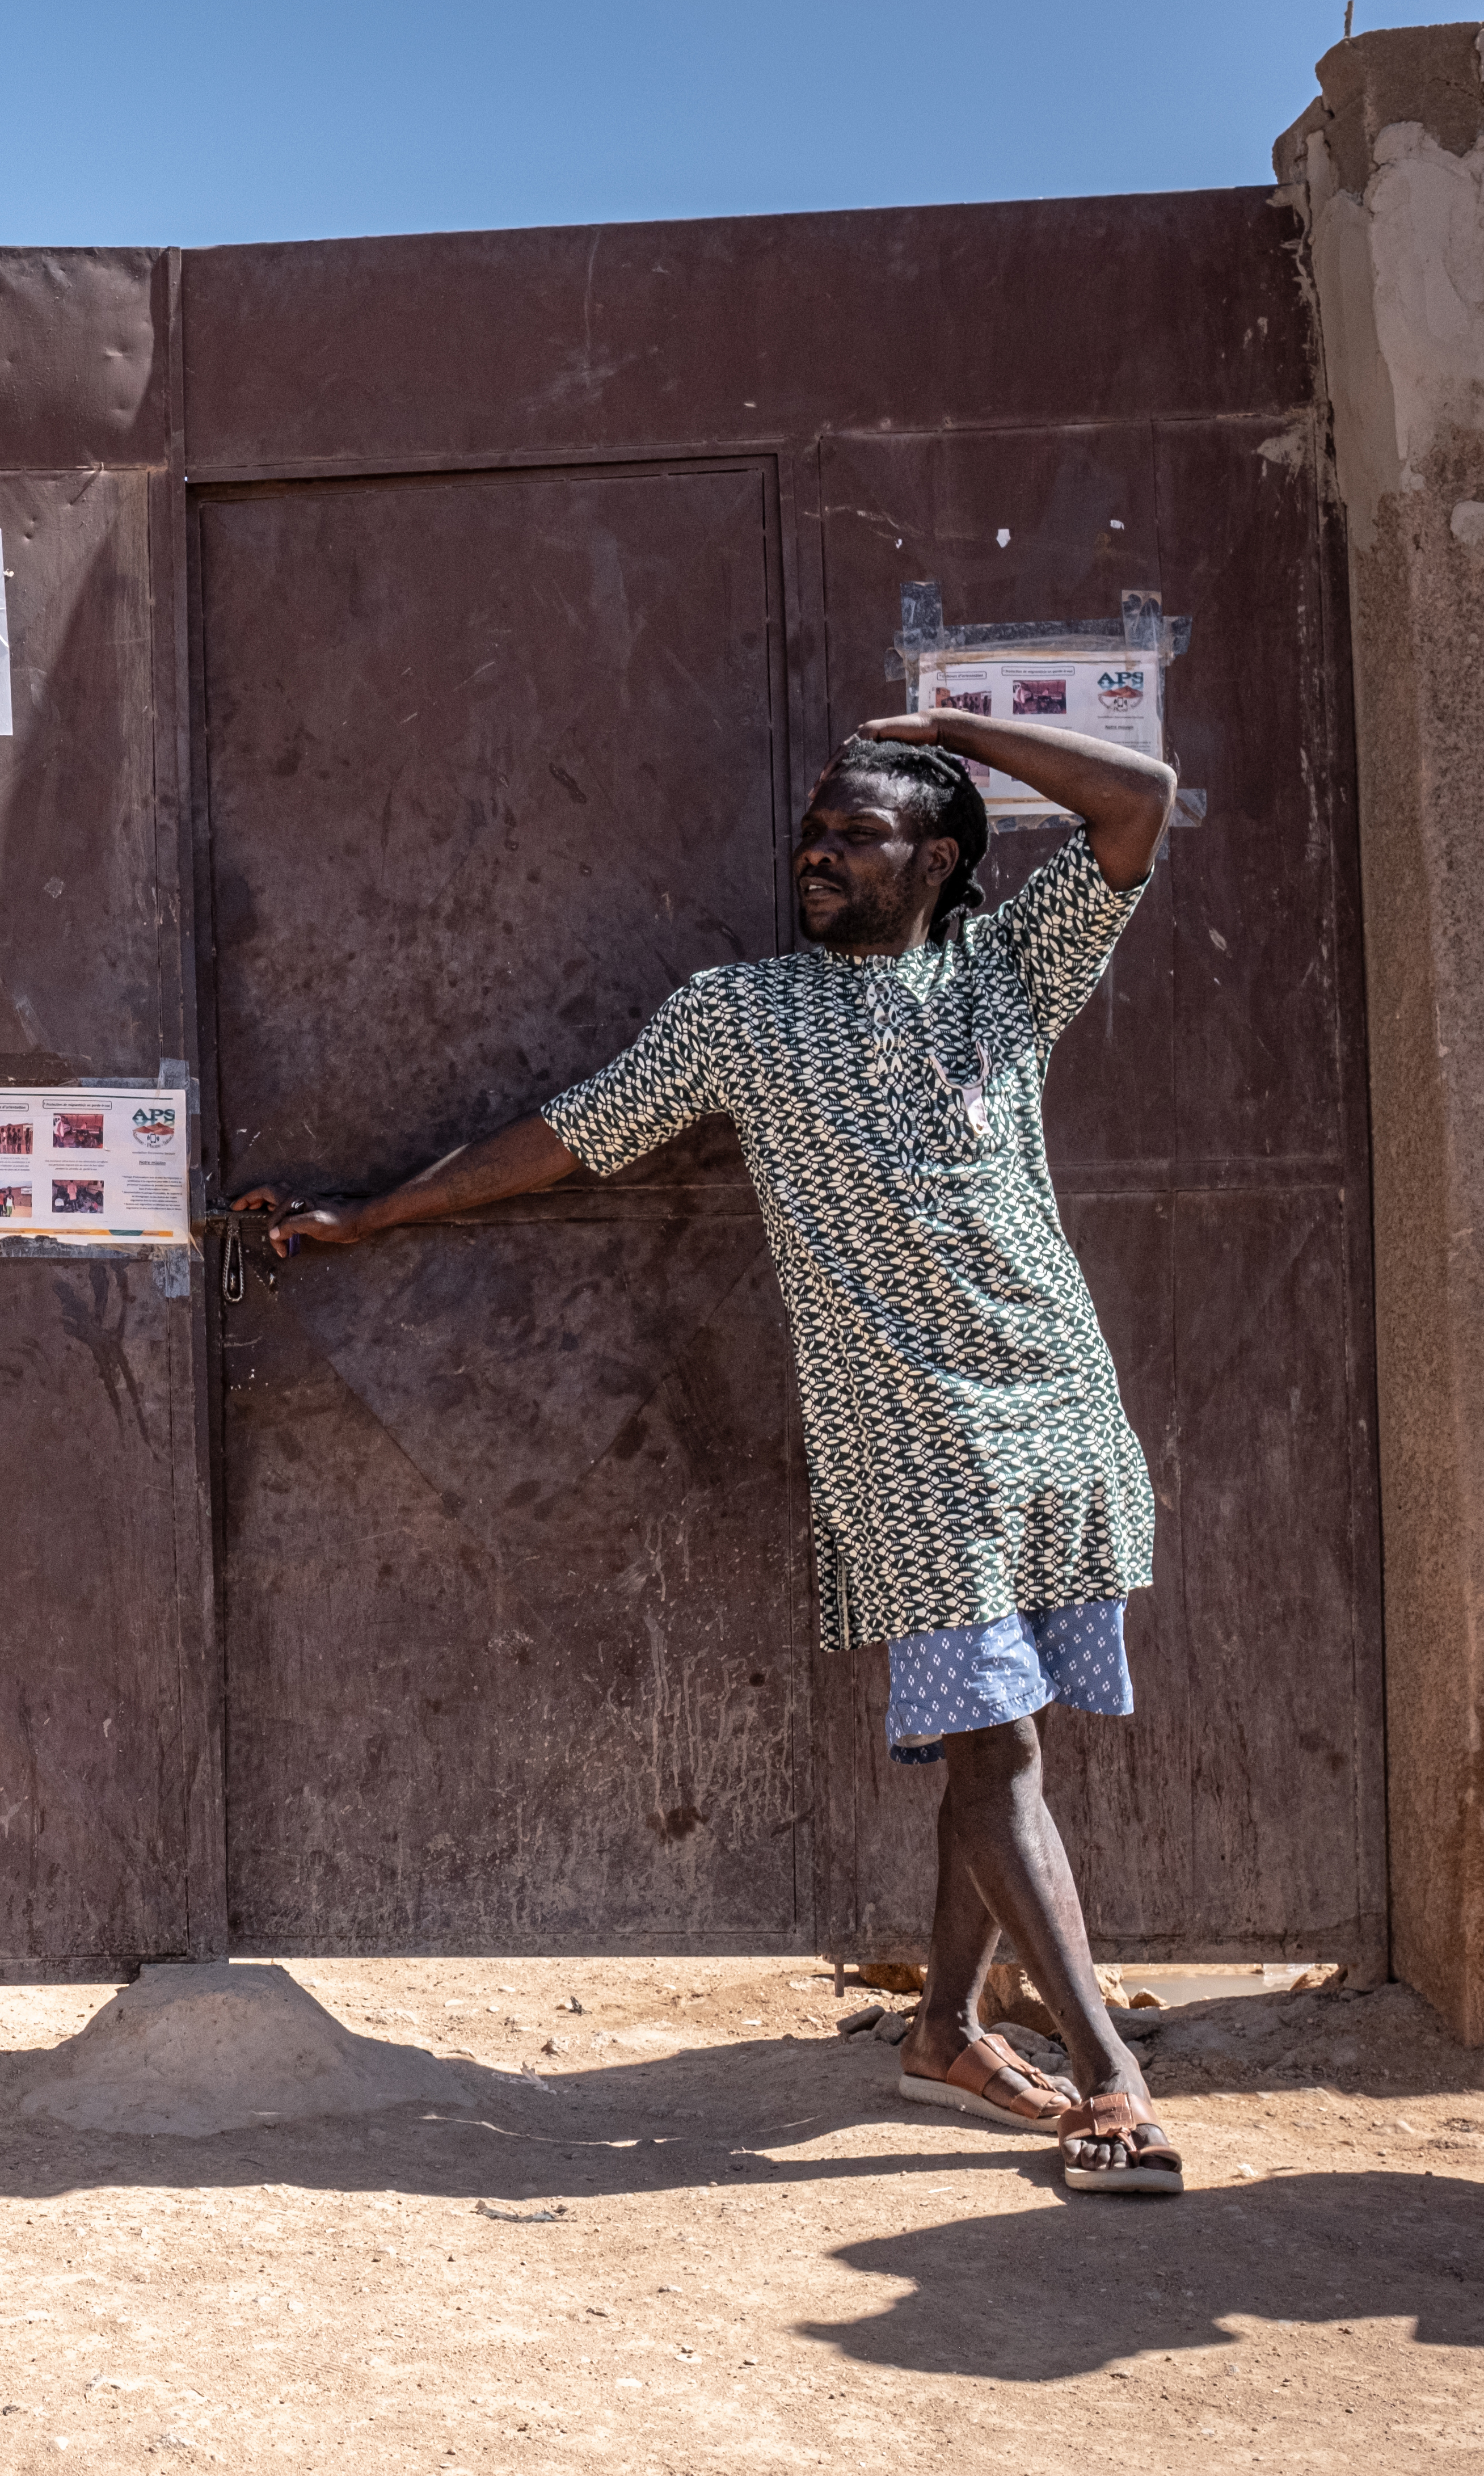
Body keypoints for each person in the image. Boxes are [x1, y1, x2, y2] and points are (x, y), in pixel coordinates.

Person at [235, 708, 1183, 2194]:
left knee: (1007, 1746)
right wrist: (377, 1211)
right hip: (907, 1444)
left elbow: (1140, 801)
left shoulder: (1008, 972)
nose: (815, 851)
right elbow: (566, 1136)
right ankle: (1108, 2087)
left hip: (1057, 1413)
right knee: (993, 1747)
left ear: (935, 860)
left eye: (852, 833)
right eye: (809, 833)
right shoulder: (740, 1015)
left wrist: (953, 731)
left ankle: (940, 2032)